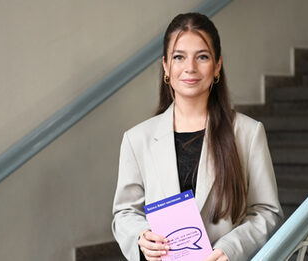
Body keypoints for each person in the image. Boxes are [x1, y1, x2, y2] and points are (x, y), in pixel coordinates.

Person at [112, 12, 283, 261]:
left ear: (217, 66)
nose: (190, 67)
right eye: (179, 57)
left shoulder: (247, 132)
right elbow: (124, 212)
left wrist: (232, 249)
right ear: (166, 67)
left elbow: (267, 212)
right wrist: (142, 236)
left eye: (202, 57)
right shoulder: (137, 139)